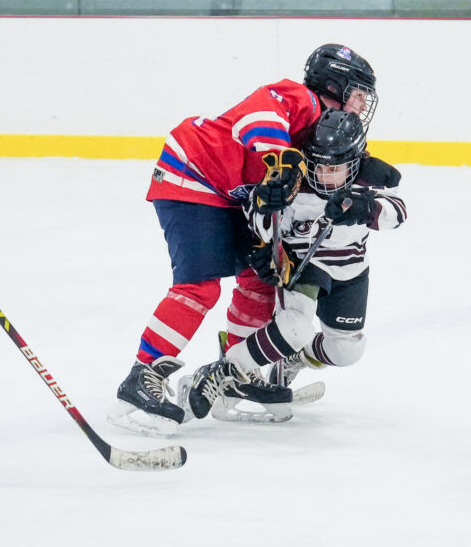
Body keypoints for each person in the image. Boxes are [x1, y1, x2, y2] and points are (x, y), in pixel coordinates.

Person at [108, 44, 383, 437]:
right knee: (199, 287)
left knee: (259, 279)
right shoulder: (299, 99)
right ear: (333, 85)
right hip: (191, 173)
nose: (360, 103)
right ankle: (143, 374)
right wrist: (279, 157)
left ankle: (236, 371)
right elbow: (253, 117)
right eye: (356, 92)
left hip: (233, 193)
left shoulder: (325, 131)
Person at [186, 108, 407, 423]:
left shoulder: (374, 176)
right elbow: (257, 218)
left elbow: (397, 212)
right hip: (303, 266)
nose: (324, 177)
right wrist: (265, 218)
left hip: (351, 271)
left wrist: (364, 207)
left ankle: (295, 359)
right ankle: (223, 371)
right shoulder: (294, 178)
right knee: (295, 326)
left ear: (356, 162)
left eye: (336, 169)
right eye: (319, 167)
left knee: (347, 351)